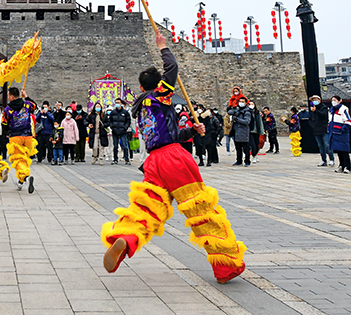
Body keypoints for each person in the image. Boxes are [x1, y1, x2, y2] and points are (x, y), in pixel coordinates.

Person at [101, 33, 246, 284]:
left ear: (140, 86)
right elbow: (173, 68)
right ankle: (227, 265)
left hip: (154, 161)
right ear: (158, 86)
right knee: (200, 210)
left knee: (147, 208)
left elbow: (173, 132)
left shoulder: (139, 105)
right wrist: (163, 47)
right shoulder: (159, 97)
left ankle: (126, 239)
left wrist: (192, 130)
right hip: (174, 158)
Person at [3, 87, 37, 193]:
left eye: (8, 95)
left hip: (15, 136)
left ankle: (26, 178)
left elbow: (4, 123)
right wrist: (26, 96)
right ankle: (20, 181)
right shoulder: (26, 104)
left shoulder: (8, 109)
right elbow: (34, 106)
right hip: (28, 136)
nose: (8, 98)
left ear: (12, 96)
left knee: (17, 160)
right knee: (25, 159)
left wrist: (7, 133)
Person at [328, 96, 351, 174]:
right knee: (338, 150)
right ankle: (341, 165)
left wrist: (343, 129)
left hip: (341, 132)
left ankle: (347, 167)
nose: (333, 101)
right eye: (332, 100)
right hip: (334, 132)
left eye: (335, 100)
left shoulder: (343, 109)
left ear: (339, 101)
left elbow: (348, 120)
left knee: (344, 150)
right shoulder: (331, 110)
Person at [309, 95, 334, 167]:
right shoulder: (312, 109)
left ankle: (331, 159)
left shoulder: (324, 108)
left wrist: (316, 111)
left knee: (327, 145)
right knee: (320, 146)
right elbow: (310, 119)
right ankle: (324, 160)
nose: (314, 101)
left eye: (315, 99)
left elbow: (324, 115)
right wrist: (312, 126)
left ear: (319, 100)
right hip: (316, 130)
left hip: (324, 129)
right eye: (313, 100)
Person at [228, 98, 252, 167]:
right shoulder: (237, 110)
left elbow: (247, 122)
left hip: (243, 132)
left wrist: (237, 119)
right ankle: (239, 160)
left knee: (246, 148)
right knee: (238, 148)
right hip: (236, 132)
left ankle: (247, 161)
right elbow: (230, 112)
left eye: (242, 102)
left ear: (245, 103)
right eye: (240, 101)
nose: (241, 103)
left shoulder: (247, 112)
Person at [109, 100, 131, 165]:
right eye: (116, 103)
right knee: (115, 146)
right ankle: (115, 159)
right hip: (115, 131)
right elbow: (110, 120)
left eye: (118, 103)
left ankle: (126, 159)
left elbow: (128, 121)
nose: (117, 104)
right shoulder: (113, 112)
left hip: (123, 131)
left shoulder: (125, 112)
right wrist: (112, 126)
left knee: (124, 146)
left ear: (121, 103)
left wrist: (125, 127)